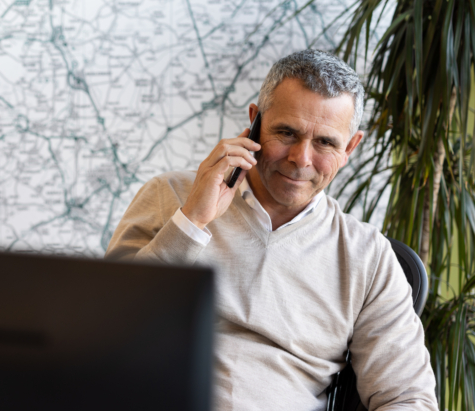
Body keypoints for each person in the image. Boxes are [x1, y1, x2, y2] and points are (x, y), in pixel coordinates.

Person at [105, 49, 438, 411]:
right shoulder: (170, 195)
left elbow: (407, 397)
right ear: (254, 122)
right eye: (286, 132)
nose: (301, 159)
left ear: (350, 148)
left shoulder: (367, 258)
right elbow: (102, 328)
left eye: (325, 142)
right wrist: (191, 222)